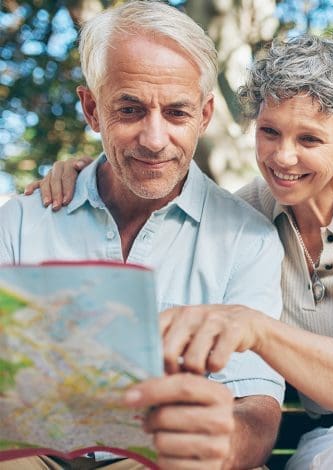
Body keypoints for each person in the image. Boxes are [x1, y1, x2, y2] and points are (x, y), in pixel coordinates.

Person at [30, 33, 333, 469]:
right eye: (270, 132)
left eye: (309, 139)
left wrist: (256, 327)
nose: (283, 157)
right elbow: (163, 190)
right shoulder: (247, 214)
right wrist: (85, 173)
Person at [0, 2, 284, 469]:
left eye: (176, 113)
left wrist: (210, 447)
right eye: (130, 110)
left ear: (205, 115)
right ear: (92, 109)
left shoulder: (245, 240)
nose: (154, 139)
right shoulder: (23, 223)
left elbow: (254, 409)